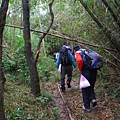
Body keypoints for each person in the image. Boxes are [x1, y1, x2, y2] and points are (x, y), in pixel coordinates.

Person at [73, 45, 97, 112]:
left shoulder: (77, 53)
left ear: (74, 51)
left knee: (85, 88)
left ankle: (87, 107)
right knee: (91, 86)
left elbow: (80, 60)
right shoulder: (86, 51)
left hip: (87, 72)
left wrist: (80, 69)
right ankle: (93, 98)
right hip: (94, 71)